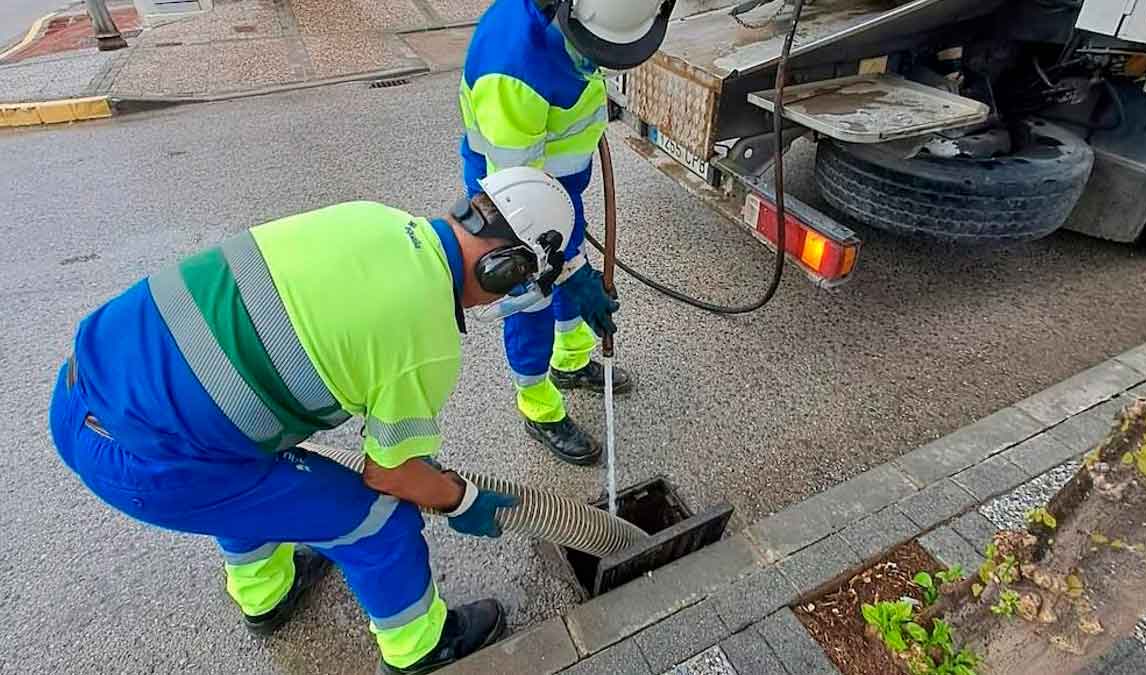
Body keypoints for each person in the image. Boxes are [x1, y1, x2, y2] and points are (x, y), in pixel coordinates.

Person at [47, 167, 580, 675]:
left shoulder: (373, 217)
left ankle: (266, 596)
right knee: (379, 520)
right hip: (152, 462)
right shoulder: (427, 338)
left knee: (251, 472)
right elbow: (389, 475)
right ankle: (420, 649)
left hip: (84, 388)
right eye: (520, 279)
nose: (511, 294)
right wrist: (460, 499)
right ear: (504, 266)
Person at [459, 0, 675, 464]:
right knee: (534, 295)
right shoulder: (512, 71)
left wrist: (572, 261)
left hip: (556, 190)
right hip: (510, 202)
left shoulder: (583, 14)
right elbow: (517, 202)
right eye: (590, 51)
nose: (593, 62)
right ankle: (538, 407)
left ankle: (571, 364)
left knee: (570, 274)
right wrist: (570, 268)